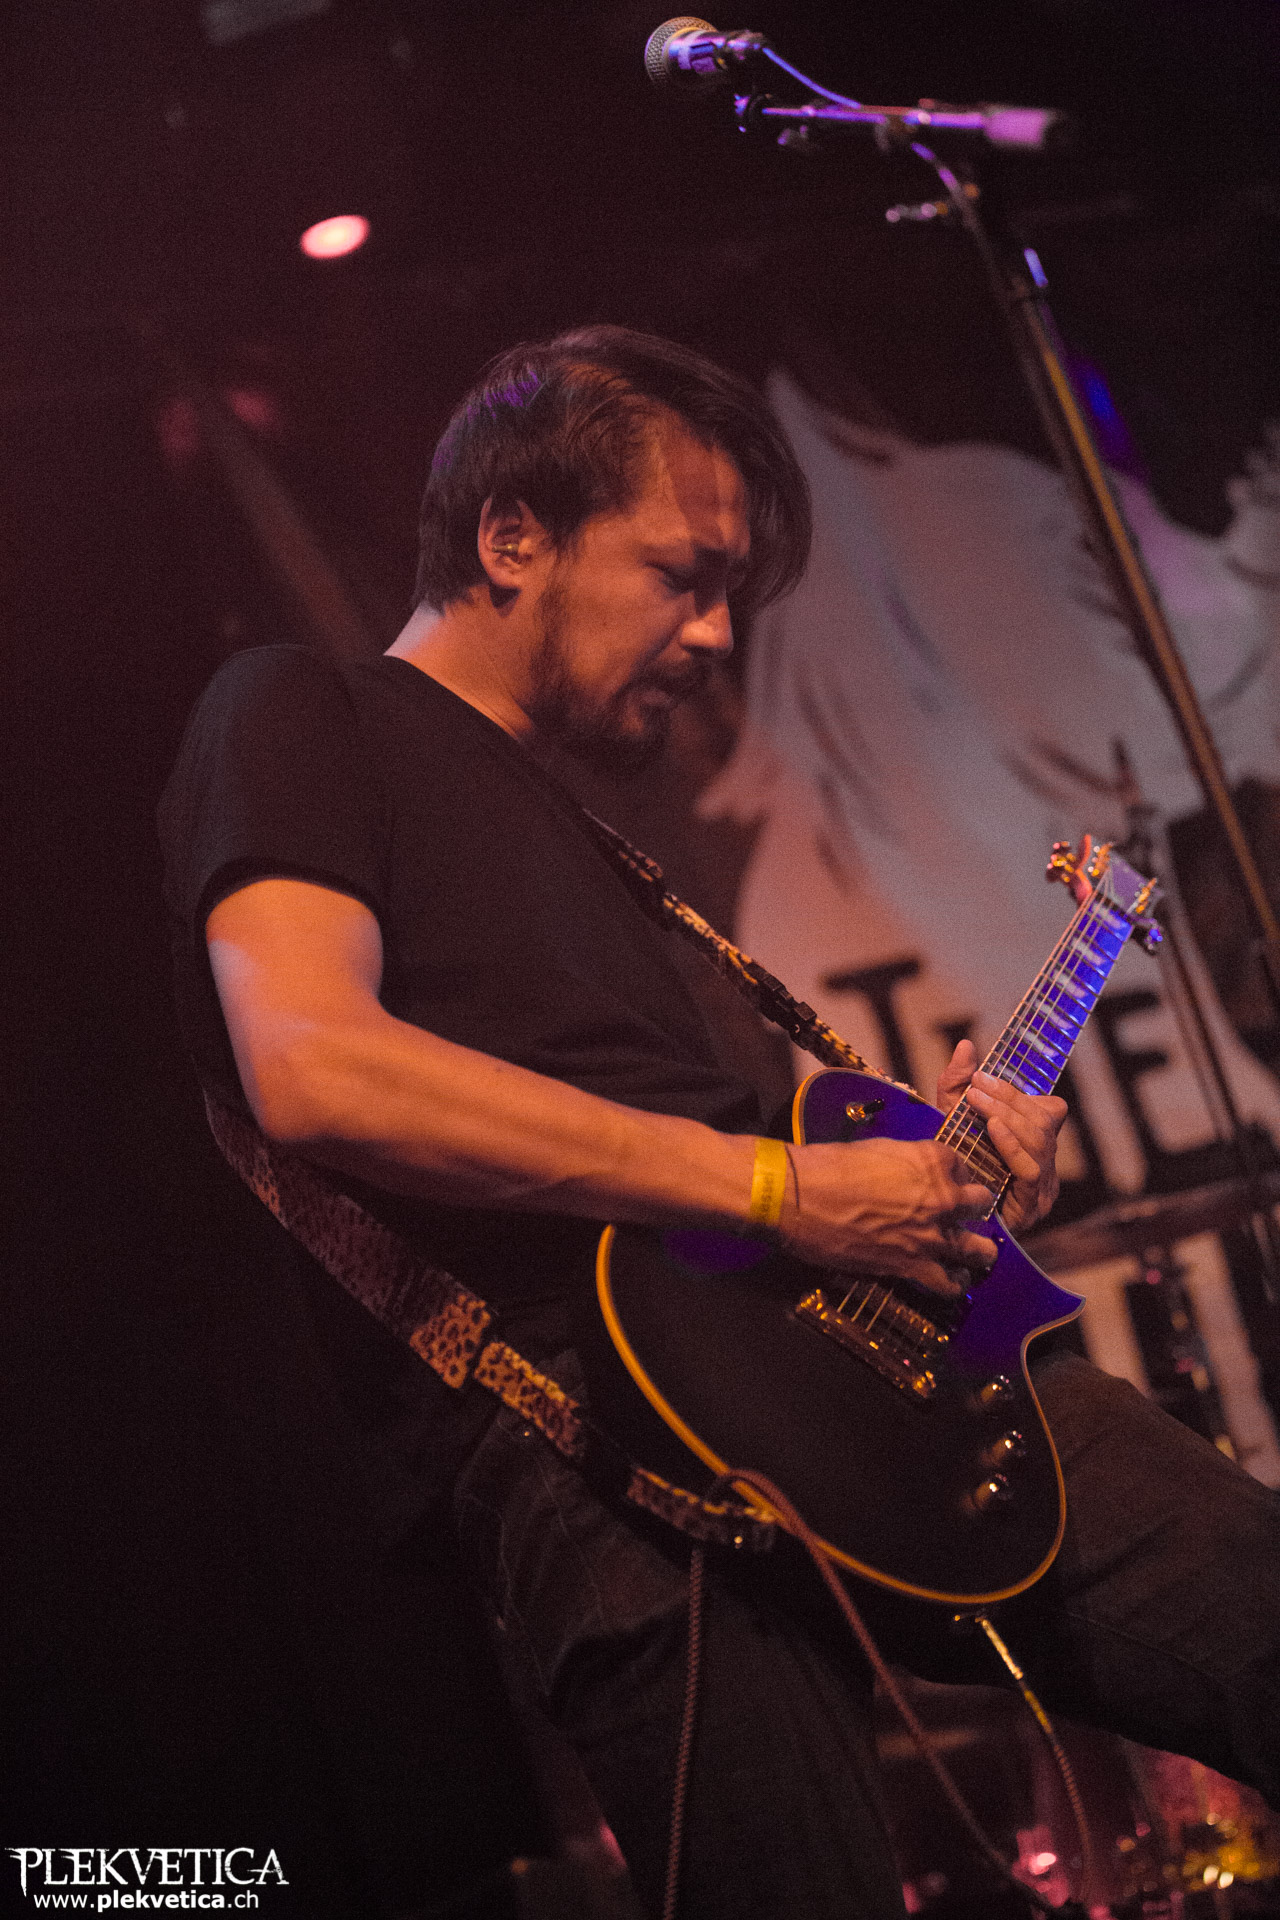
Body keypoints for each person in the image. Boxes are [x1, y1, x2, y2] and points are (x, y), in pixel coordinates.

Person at [159, 326, 1280, 1918]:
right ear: (513, 537)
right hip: (607, 1459)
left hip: (852, 1377)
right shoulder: (297, 710)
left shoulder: (586, 835)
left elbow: (733, 1163)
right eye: (683, 576)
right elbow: (317, 1068)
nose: (714, 634)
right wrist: (780, 1189)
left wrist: (917, 1184)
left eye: (732, 594)